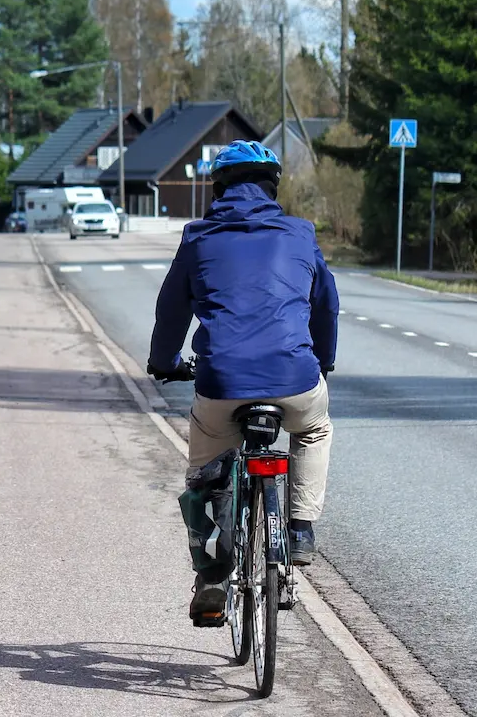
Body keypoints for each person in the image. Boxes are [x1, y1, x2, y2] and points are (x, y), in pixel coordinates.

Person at [146, 140, 339, 625]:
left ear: (218, 189)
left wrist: (164, 363)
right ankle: (298, 530)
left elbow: (171, 311)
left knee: (207, 470)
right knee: (313, 430)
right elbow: (326, 305)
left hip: (222, 380)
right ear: (273, 187)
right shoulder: (299, 234)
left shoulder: (198, 238)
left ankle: (211, 575)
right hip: (295, 378)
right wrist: (323, 360)